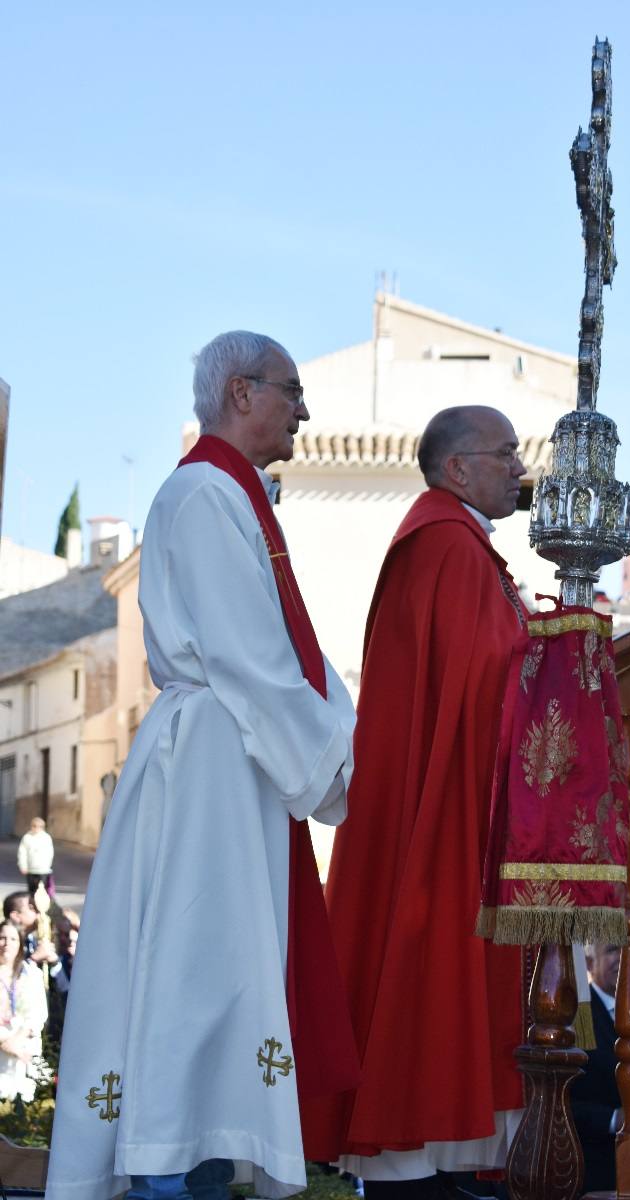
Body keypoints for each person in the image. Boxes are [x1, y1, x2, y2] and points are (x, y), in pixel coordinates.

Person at [45, 331, 358, 1200]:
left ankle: (200, 1152)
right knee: (197, 959)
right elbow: (252, 655)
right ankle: (172, 1161)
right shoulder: (203, 493)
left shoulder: (235, 495)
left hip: (236, 760)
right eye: (293, 390)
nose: (304, 408)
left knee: (222, 958)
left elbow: (291, 652)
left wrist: (345, 739)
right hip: (214, 764)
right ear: (241, 392)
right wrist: (339, 756)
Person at [303, 405, 530, 1197]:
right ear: (458, 468)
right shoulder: (446, 547)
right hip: (450, 818)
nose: (520, 467)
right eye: (507, 454)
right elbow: (489, 676)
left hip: (451, 804)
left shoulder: (450, 544)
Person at [571, 943, 630, 1193]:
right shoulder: (578, 1021)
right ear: (590, 964)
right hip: (600, 1171)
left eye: (629, 948)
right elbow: (563, 1100)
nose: (623, 957)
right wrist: (614, 1118)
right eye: (612, 949)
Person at [0, 919, 48, 1103]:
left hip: (24, 1049)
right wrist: (5, 1041)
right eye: (2, 938)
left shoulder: (30, 974)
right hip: (3, 1048)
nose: (7, 944)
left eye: (13, 939)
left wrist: (17, 1041)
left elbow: (38, 1013)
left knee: (25, 1106)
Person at [17, 816, 55, 895]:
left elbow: (50, 852)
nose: (36, 828)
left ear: (42, 827)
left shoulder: (46, 838)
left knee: (42, 891)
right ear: (31, 826)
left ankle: (41, 906)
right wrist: (23, 866)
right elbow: (22, 853)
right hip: (31, 869)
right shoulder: (27, 837)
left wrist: (48, 865)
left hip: (43, 869)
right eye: (34, 826)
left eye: (39, 826)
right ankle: (31, 905)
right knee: (31, 890)